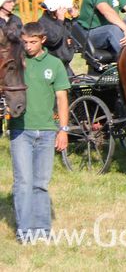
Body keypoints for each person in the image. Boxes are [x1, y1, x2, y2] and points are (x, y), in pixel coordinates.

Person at [9, 22, 70, 242]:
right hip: (20, 132)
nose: (28, 46)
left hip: (46, 132)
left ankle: (43, 231)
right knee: (23, 183)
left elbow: (62, 98)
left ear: (43, 40)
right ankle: (25, 232)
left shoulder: (54, 64)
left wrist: (63, 130)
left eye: (33, 42)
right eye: (25, 42)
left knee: (40, 184)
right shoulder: (15, 63)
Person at [37, 0, 77, 75]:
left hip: (65, 67)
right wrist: (60, 20)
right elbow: (53, 40)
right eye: (64, 8)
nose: (65, 10)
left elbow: (78, 34)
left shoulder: (65, 22)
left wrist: (75, 18)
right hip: (50, 68)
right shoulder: (42, 23)